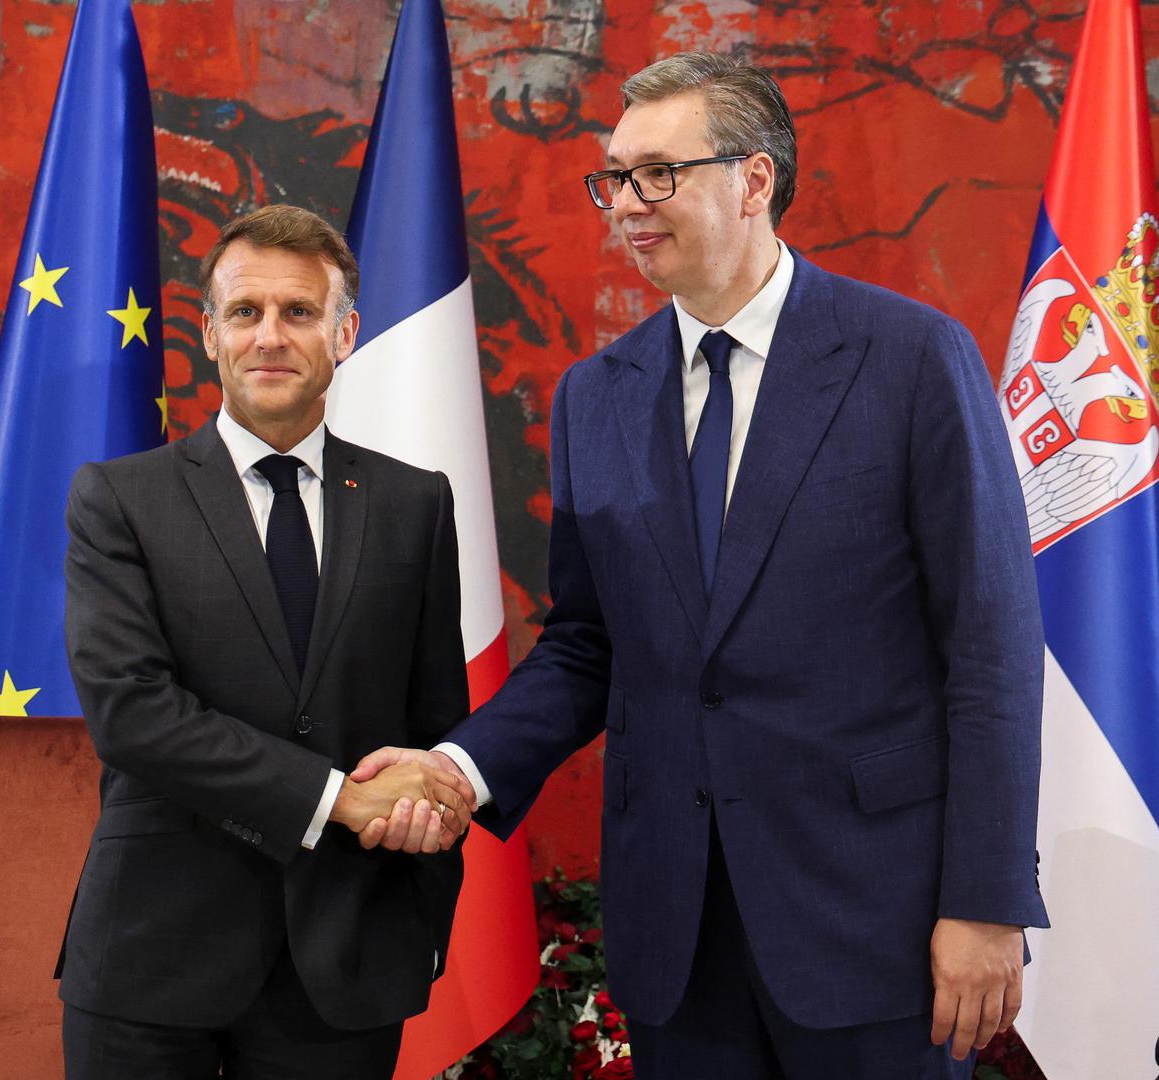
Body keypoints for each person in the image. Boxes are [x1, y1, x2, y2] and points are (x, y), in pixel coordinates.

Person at [353, 52, 1048, 1079]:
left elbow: (991, 651)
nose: (626, 205)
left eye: (658, 174)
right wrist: (459, 768)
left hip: (875, 924)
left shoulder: (911, 360)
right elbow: (589, 645)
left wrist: (986, 901)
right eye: (614, 179)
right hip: (678, 934)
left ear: (754, 179)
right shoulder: (595, 395)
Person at [56, 204, 477, 1079]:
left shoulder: (416, 505)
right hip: (150, 957)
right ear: (208, 333)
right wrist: (336, 799)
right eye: (245, 312)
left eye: (299, 312)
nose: (270, 336)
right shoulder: (120, 498)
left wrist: (421, 894)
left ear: (346, 331)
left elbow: (438, 724)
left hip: (347, 962)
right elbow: (133, 716)